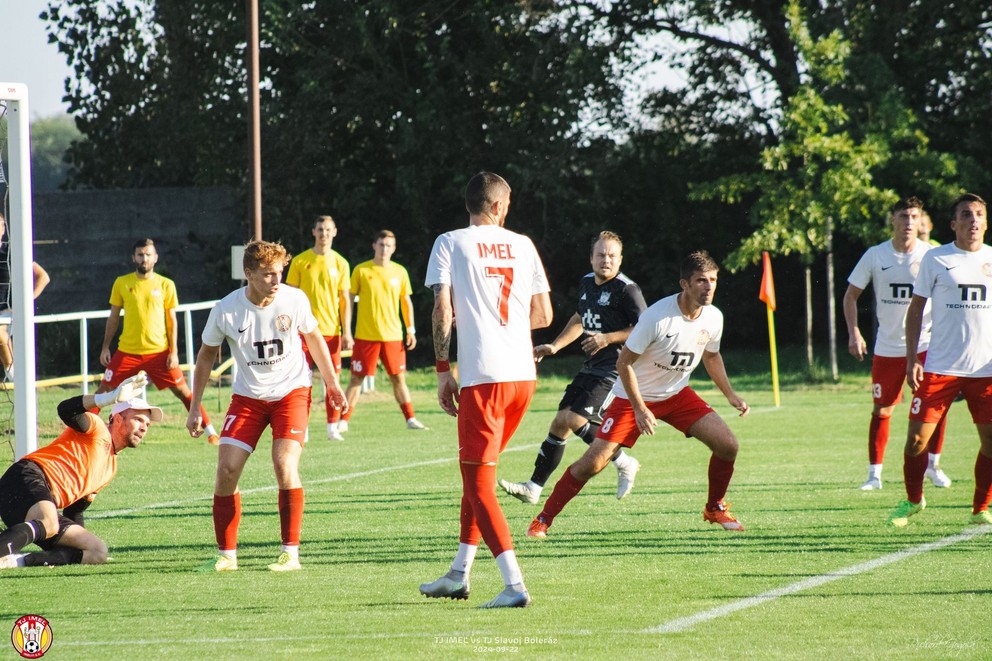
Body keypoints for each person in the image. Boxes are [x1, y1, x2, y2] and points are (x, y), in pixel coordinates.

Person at [527, 250, 749, 539]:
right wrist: (640, 408)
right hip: (632, 398)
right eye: (701, 281)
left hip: (677, 396)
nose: (708, 287)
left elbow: (711, 357)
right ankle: (542, 519)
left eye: (713, 280)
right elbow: (623, 363)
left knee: (728, 445)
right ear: (684, 284)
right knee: (593, 463)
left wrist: (730, 395)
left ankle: (714, 507)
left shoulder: (714, 318)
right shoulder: (657, 317)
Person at [420, 171, 552, 608]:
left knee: (479, 485)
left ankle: (515, 585)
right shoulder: (525, 244)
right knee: (479, 476)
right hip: (522, 378)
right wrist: (505, 325)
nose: (509, 210)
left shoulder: (450, 241)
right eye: (508, 203)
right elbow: (544, 314)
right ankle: (459, 573)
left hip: (485, 378)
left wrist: (443, 368)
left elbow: (442, 309)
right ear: (497, 206)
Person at [186, 240, 347, 571]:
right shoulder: (226, 310)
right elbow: (205, 356)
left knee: (284, 463)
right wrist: (194, 407)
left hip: (292, 392)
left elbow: (315, 339)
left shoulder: (294, 299)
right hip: (248, 398)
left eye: (280, 273)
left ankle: (290, 552)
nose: (277, 281)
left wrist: (332, 384)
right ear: (248, 274)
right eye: (268, 274)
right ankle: (226, 555)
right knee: (227, 469)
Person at [499, 231, 647, 505]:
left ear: (620, 259)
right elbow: (580, 317)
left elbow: (644, 328)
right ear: (591, 258)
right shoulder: (587, 283)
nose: (606, 260)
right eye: (601, 255)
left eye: (612, 255)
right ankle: (533, 487)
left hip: (615, 370)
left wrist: (608, 338)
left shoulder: (628, 290)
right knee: (559, 423)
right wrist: (555, 346)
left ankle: (624, 461)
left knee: (575, 419)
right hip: (592, 366)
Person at [887, 193, 992, 527]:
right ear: (953, 224)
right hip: (939, 367)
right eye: (966, 214)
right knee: (917, 441)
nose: (973, 220)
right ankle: (914, 500)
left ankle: (980, 508)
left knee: (990, 441)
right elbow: (916, 308)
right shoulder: (936, 258)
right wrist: (911, 359)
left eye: (979, 214)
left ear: (986, 223)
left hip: (985, 369)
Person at [843, 197, 951, 490]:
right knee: (882, 409)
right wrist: (854, 333)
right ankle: (874, 475)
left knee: (934, 408)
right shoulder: (875, 256)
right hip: (888, 348)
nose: (908, 222)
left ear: (921, 222)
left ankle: (933, 465)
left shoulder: (932, 255)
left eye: (913, 217)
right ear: (893, 220)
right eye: (903, 216)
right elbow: (850, 295)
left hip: (927, 347)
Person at [0, 374, 161, 568]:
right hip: (25, 478)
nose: (144, 428)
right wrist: (108, 398)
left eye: (147, 424)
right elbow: (66, 409)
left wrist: (76, 544)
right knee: (49, 522)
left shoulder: (110, 468)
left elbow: (74, 511)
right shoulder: (98, 429)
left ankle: (16, 561)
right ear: (117, 418)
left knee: (97, 551)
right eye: (138, 420)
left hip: (34, 508)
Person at [97, 238, 219, 444]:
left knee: (184, 392)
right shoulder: (122, 282)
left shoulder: (165, 284)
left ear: (155, 258)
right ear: (133, 257)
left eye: (148, 254)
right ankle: (82, 431)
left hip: (159, 352)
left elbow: (171, 320)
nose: (144, 259)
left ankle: (210, 432)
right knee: (103, 392)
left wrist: (173, 352)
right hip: (127, 351)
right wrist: (105, 347)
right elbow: (113, 317)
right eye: (140, 255)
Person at [339, 229, 426, 432]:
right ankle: (343, 421)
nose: (384, 248)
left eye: (388, 245)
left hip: (393, 336)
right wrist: (347, 332)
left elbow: (406, 302)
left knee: (398, 378)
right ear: (374, 245)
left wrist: (410, 329)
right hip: (365, 335)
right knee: (356, 378)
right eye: (381, 244)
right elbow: (349, 302)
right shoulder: (361, 270)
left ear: (394, 248)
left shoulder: (400, 272)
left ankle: (410, 418)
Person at [285, 215, 353, 441]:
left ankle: (332, 426)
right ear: (313, 232)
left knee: (331, 379)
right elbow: (289, 297)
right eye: (320, 230)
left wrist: (347, 332)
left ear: (335, 232)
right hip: (303, 331)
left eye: (328, 230)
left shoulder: (341, 263)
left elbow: (344, 301)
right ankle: (301, 427)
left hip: (331, 332)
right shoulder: (300, 261)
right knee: (301, 380)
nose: (324, 234)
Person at [0, 211, 50, 379]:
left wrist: (28, 301)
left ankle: (15, 376)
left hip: (9, 311)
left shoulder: (11, 252)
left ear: (3, 228)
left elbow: (43, 277)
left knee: (0, 332)